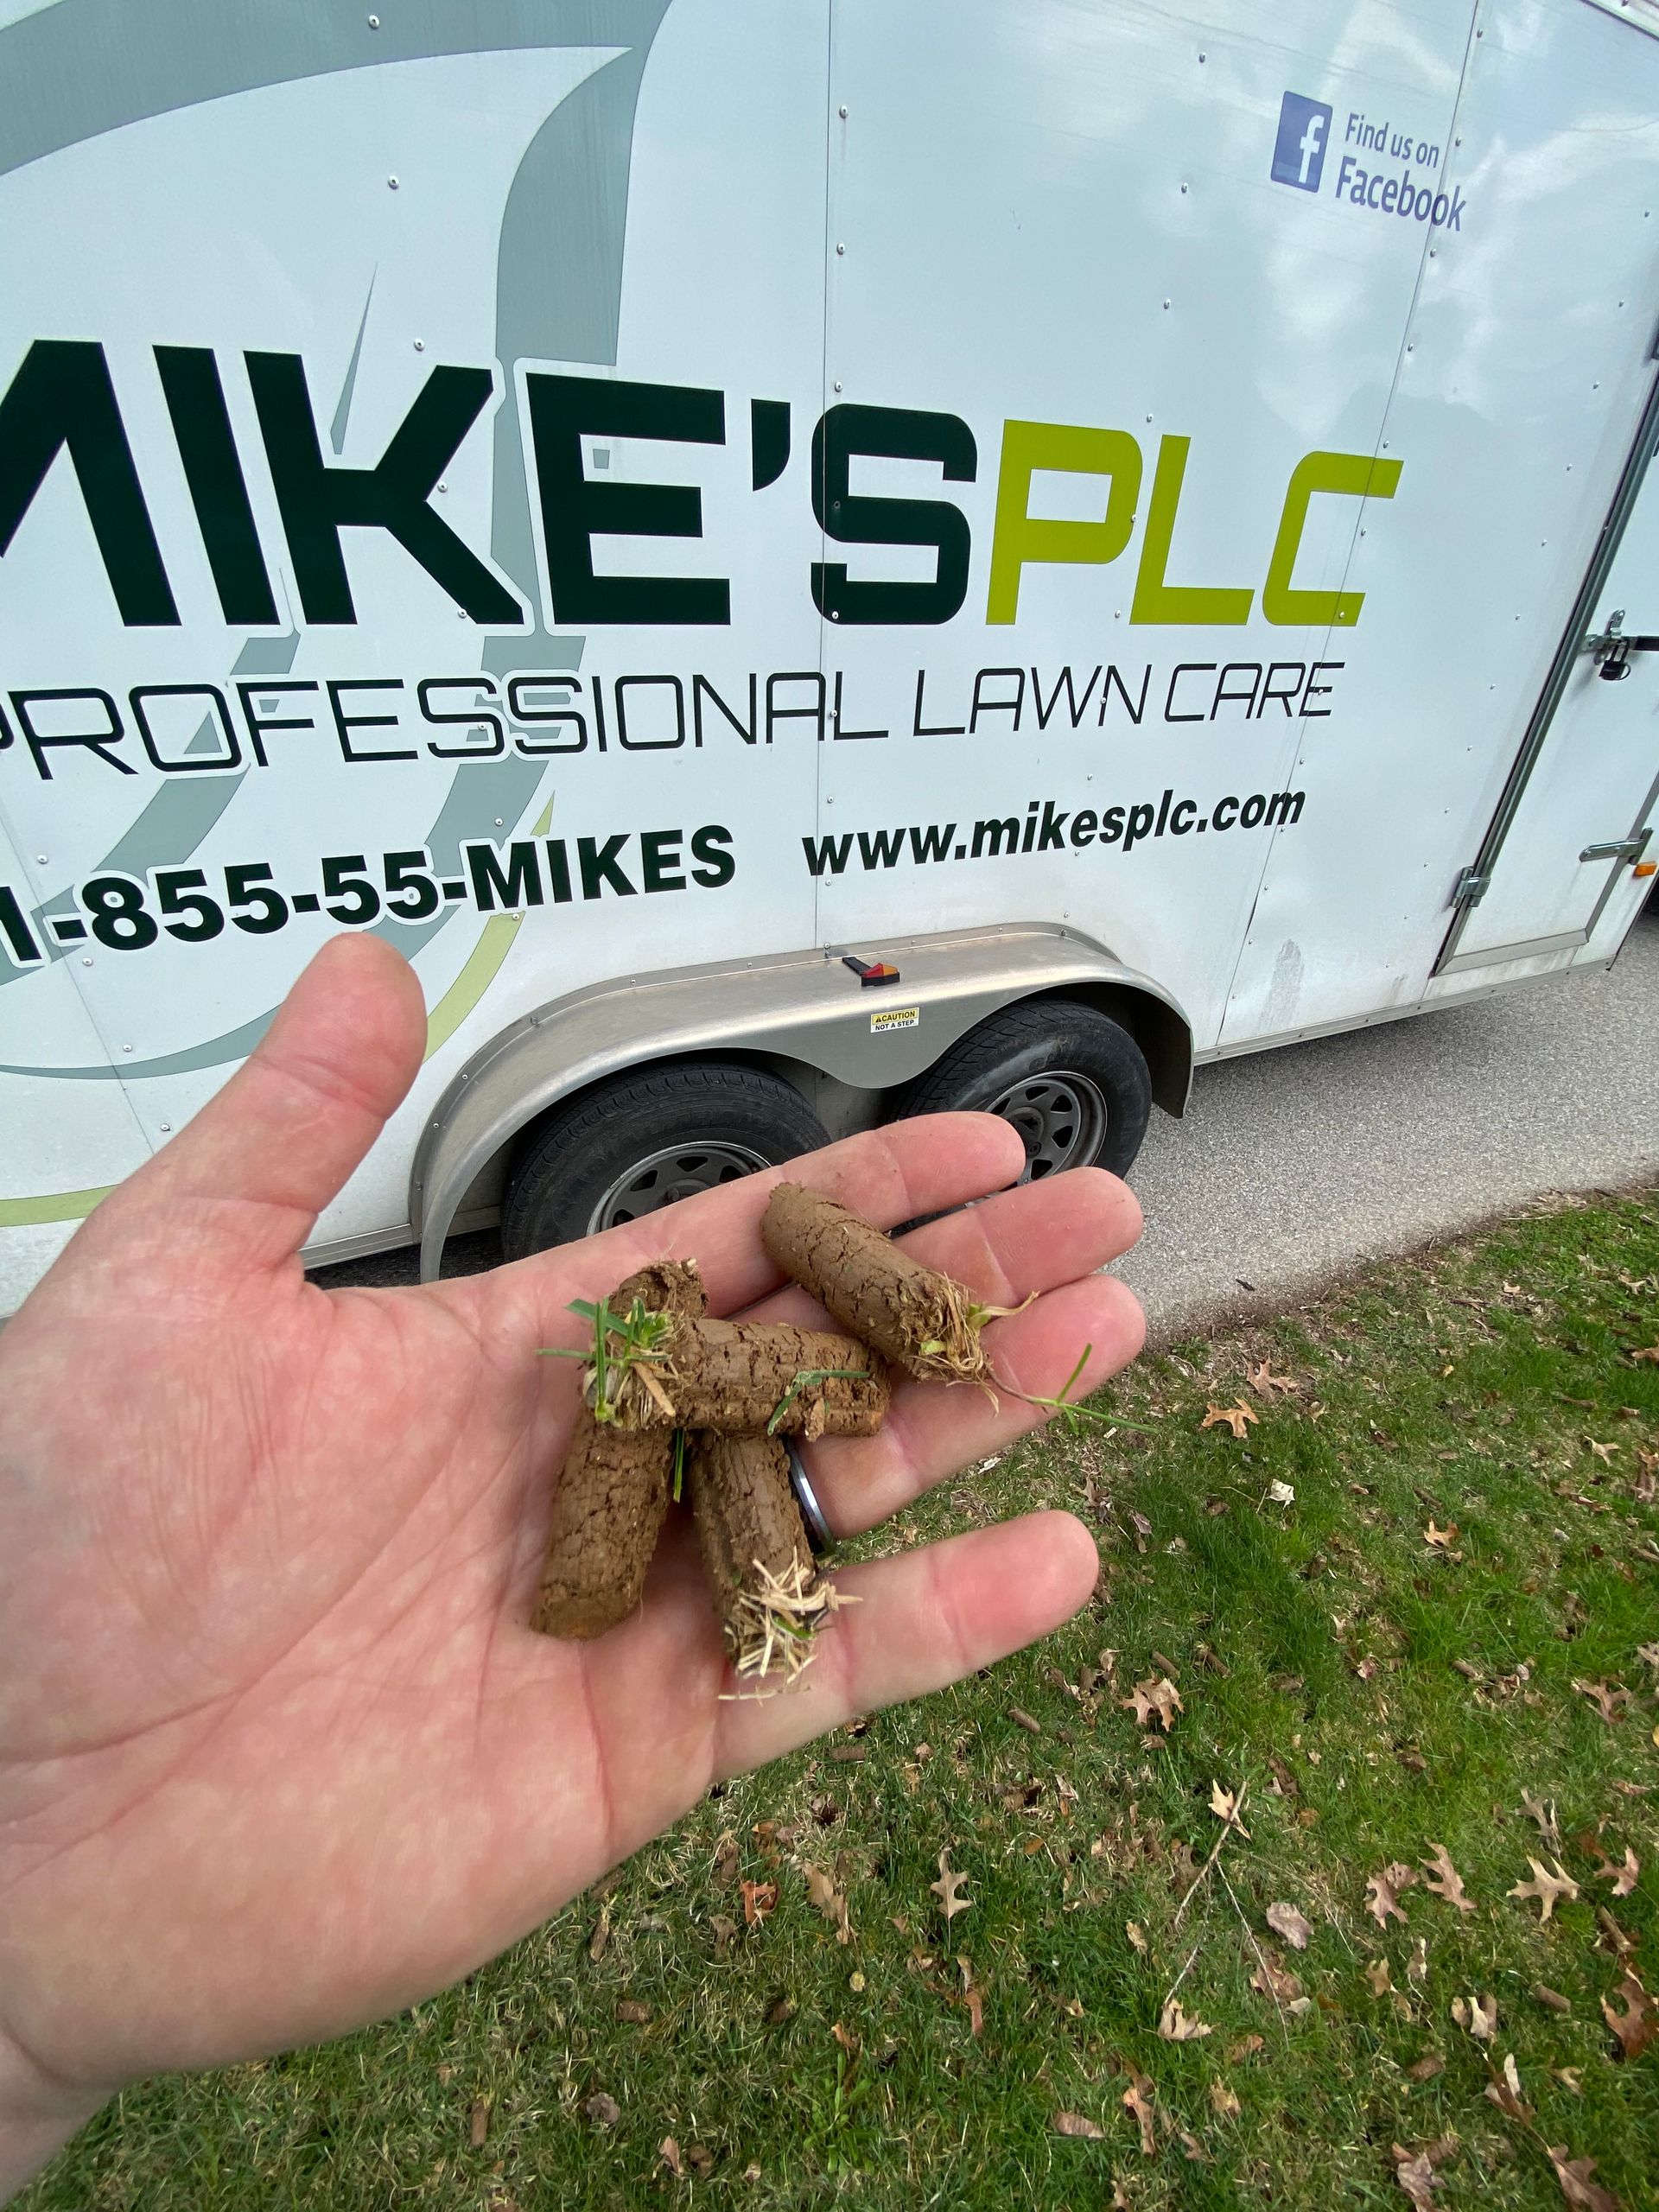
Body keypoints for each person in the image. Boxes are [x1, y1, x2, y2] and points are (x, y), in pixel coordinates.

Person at [0, 936, 1144, 2197]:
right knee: (696, 1418)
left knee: (732, 1419)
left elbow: (753, 1348)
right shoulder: (654, 1375)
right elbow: (689, 1374)